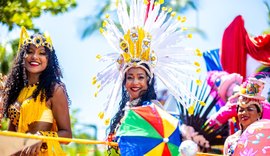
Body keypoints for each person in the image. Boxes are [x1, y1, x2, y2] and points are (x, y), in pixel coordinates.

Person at [92, 0, 202, 155]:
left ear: (148, 81)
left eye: (140, 77)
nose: (135, 82)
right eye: (130, 77)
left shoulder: (154, 107)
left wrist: (186, 132)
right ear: (124, 82)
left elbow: (171, 132)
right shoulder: (124, 109)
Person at [2, 27, 72, 155]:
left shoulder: (55, 89)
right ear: (22, 56)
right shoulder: (17, 91)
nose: (35, 57)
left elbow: (67, 135)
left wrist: (42, 137)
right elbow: (11, 135)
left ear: (49, 59)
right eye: (30, 52)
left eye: (42, 53)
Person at [223, 78, 266, 155]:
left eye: (250, 109)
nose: (244, 113)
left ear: (259, 113)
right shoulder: (231, 141)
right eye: (241, 110)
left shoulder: (266, 138)